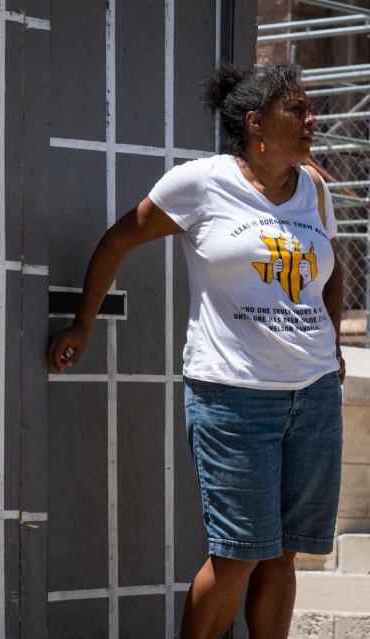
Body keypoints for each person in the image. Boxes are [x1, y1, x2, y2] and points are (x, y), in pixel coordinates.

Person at [46, 64, 344, 638]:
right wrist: (82, 322)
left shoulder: (315, 186)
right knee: (239, 554)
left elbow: (331, 267)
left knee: (283, 554)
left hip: (313, 396)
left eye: (312, 109)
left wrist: (331, 344)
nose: (313, 120)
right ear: (257, 123)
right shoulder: (202, 183)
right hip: (234, 396)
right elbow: (120, 237)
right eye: (298, 110)